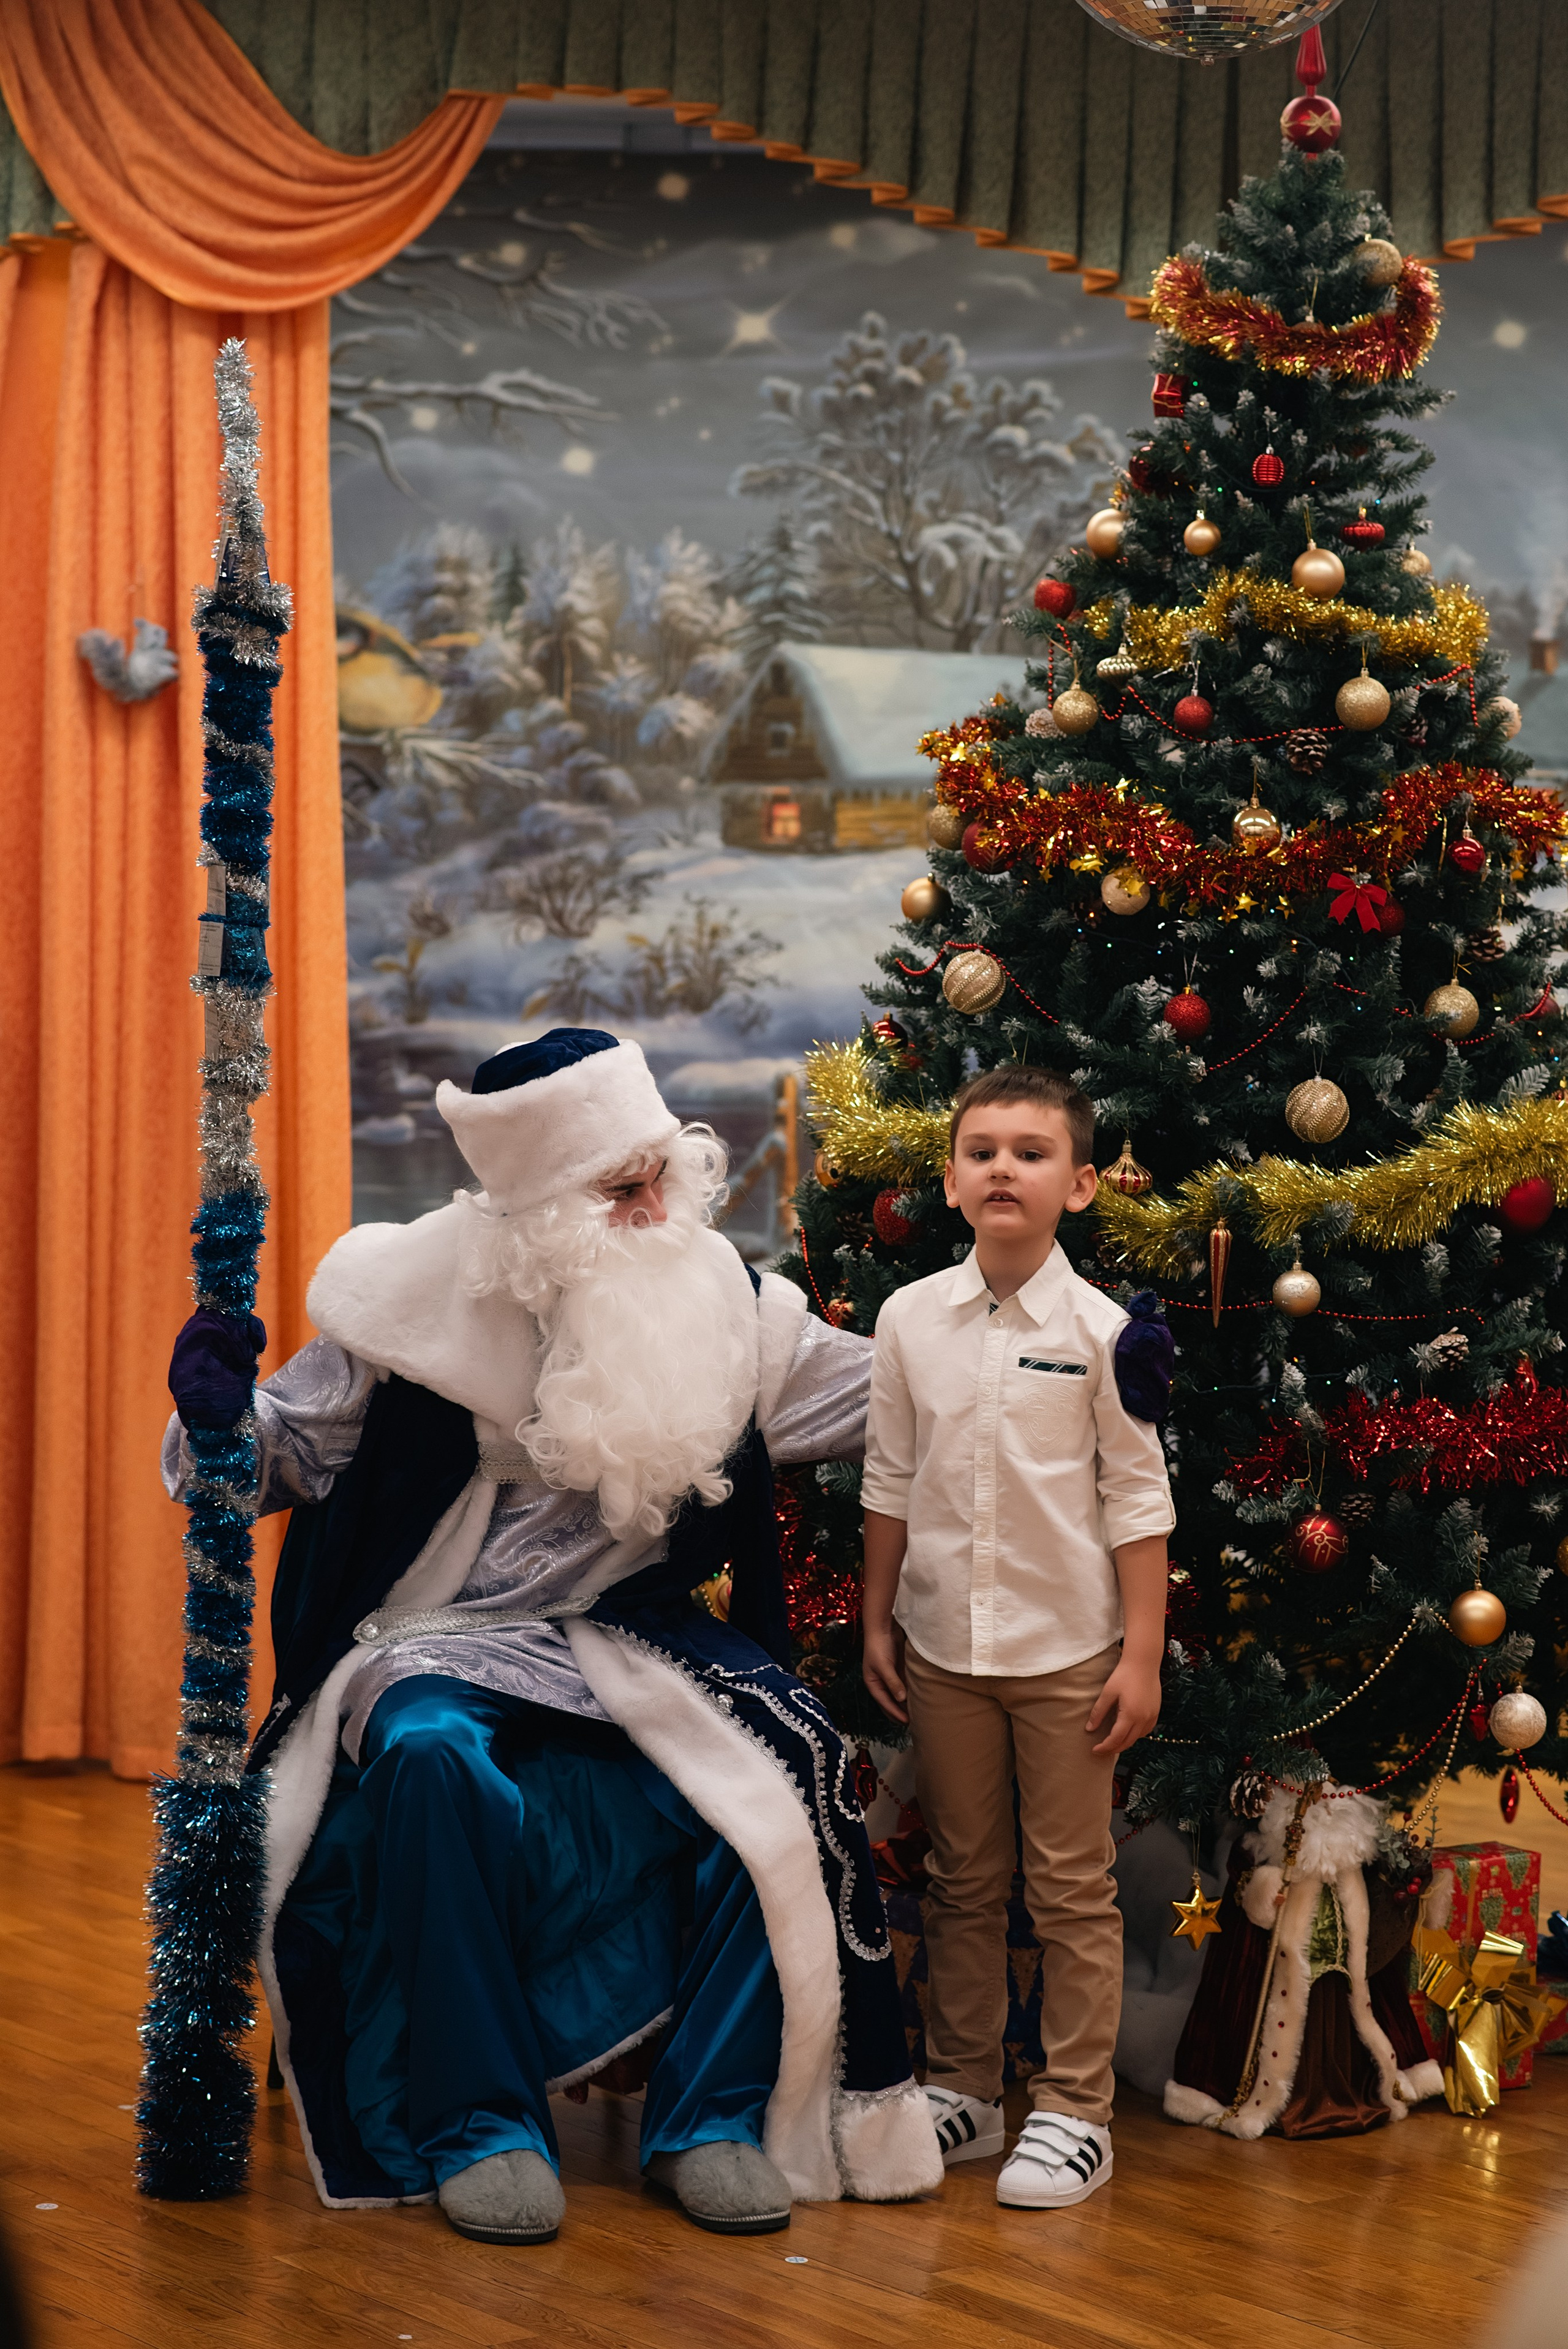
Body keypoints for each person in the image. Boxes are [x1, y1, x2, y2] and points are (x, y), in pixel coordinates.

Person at [164, 1028, 940, 2244]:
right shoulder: (404, 1304)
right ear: (534, 1211)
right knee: (429, 1761)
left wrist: (1076, 1361)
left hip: (629, 1637)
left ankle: (712, 2119)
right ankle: (479, 2122)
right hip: (429, 1632)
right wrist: (216, 1423)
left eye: (657, 1175)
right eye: (617, 1189)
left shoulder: (719, 1302)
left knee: (788, 1770)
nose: (652, 1208)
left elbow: (908, 1385)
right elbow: (265, 1462)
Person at [859, 1065, 1175, 2209]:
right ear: (950, 1181)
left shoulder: (1110, 1335)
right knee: (960, 1878)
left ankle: (1076, 2107)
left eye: (1031, 1153)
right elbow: (889, 1477)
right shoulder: (907, 1320)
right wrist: (877, 1616)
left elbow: (1139, 1504)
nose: (1003, 1167)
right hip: (945, 1648)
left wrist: (1138, 1657)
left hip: (1068, 1659)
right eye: (982, 1150)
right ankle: (967, 2091)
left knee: (1071, 1888)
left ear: (1080, 1185)